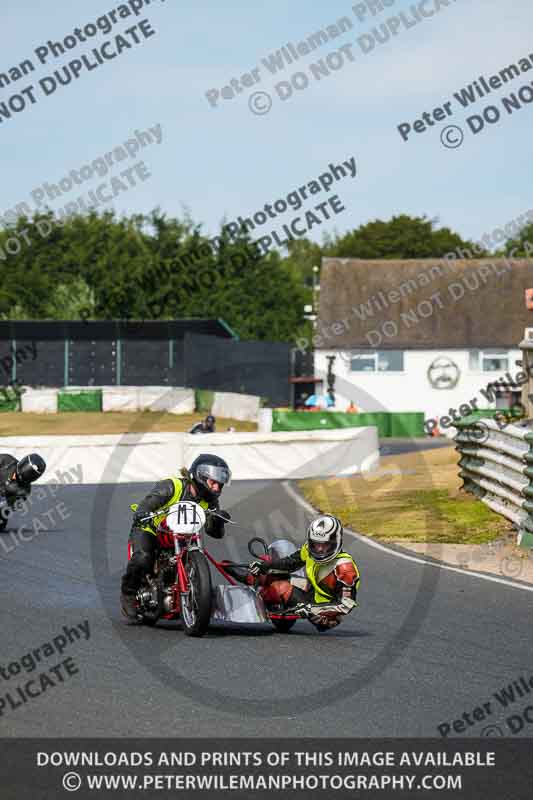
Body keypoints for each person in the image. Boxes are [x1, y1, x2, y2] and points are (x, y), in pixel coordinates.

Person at [120, 453, 232, 621]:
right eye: (213, 483)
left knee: (199, 555)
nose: (216, 488)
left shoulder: (210, 502)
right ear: (201, 477)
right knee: (143, 558)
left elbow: (214, 533)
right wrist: (143, 512)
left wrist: (217, 521)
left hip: (184, 535)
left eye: (220, 485)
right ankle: (128, 593)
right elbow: (149, 502)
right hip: (152, 528)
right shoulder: (173, 486)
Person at [249, 515, 360, 630]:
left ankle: (253, 604)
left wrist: (311, 608)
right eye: (316, 544)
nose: (320, 549)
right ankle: (251, 590)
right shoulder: (308, 550)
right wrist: (265, 566)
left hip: (327, 615)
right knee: (267, 576)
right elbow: (290, 563)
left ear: (335, 542)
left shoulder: (344, 567)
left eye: (325, 544)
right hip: (312, 595)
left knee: (281, 587)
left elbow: (347, 605)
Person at [0, 453, 47, 531]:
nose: (26, 472)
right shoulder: (6, 460)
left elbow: (8, 507)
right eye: (27, 470)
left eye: (31, 474)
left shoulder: (24, 491)